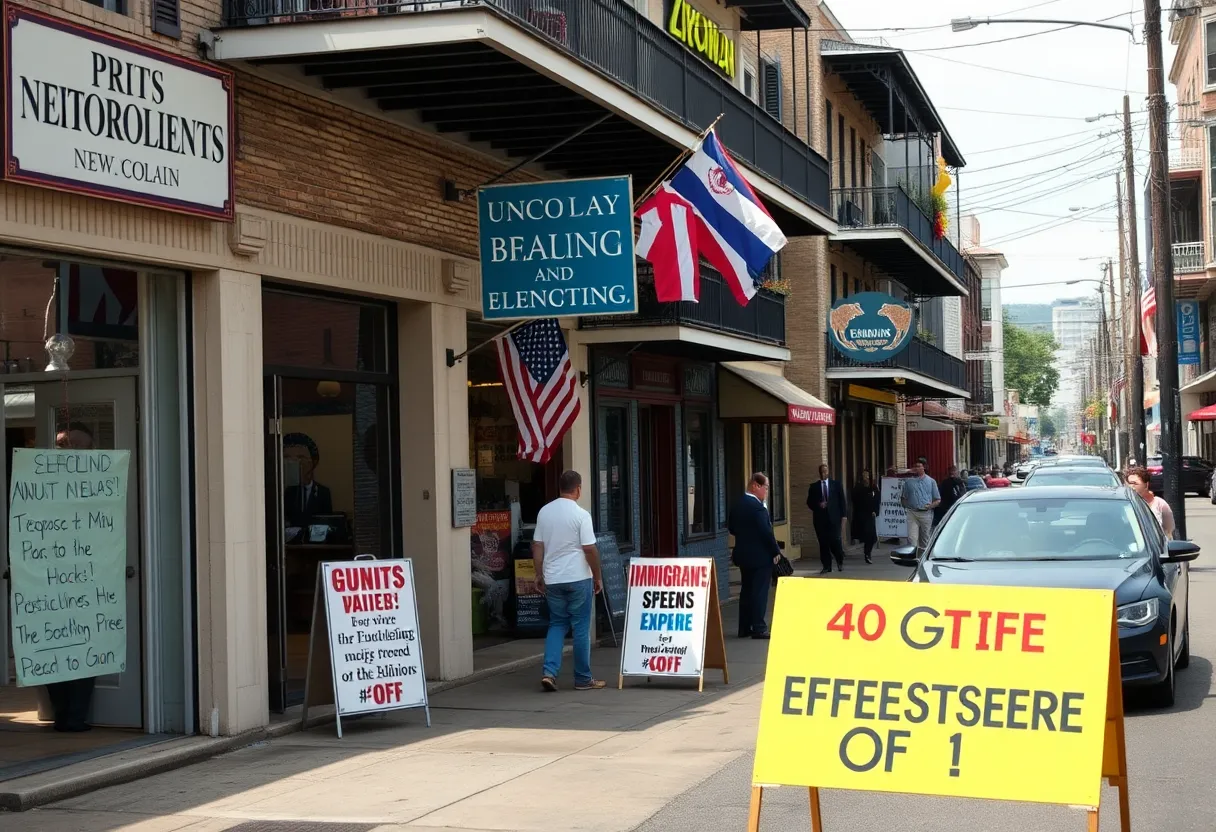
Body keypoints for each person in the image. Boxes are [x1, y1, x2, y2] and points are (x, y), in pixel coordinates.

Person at [533, 470, 606, 691]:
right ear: (578, 489)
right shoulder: (581, 515)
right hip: (578, 578)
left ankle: (549, 672)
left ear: (560, 488)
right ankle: (583, 679)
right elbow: (590, 549)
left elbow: (537, 545)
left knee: (557, 624)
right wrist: (598, 576)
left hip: (553, 579)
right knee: (580, 627)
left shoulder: (545, 512)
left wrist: (539, 574)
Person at [729, 472, 782, 639]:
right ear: (755, 486)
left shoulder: (737, 505)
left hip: (744, 555)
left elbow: (732, 528)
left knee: (746, 591)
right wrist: (775, 551)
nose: (766, 491)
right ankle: (759, 627)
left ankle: (744, 628)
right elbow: (766, 533)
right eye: (765, 487)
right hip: (760, 557)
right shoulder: (758, 507)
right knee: (759, 592)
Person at [283, 433, 333, 528]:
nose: (294, 462)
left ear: (313, 462)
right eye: (287, 457)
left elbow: (327, 521)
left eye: (301, 457)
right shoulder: (286, 492)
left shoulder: (323, 492)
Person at [807, 464, 847, 574]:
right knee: (823, 543)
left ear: (828, 472)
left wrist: (844, 516)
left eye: (825, 471)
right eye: (822, 472)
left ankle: (840, 561)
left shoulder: (836, 485)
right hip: (820, 520)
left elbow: (842, 501)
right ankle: (826, 565)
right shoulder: (814, 487)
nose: (824, 474)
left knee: (835, 540)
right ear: (819, 473)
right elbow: (809, 503)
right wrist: (818, 505)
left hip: (834, 518)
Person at [901, 461, 940, 553]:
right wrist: (906, 506)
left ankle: (924, 557)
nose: (916, 468)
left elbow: (938, 499)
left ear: (924, 468)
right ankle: (913, 556)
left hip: (926, 513)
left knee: (925, 539)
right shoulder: (908, 482)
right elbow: (903, 497)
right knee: (912, 538)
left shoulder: (931, 481)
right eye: (915, 466)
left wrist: (931, 506)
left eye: (919, 466)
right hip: (912, 513)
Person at [1126, 466, 1175, 539]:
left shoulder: (1159, 504)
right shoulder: (1124, 505)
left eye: (1135, 483)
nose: (1131, 487)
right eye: (1129, 483)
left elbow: (1169, 529)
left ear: (1146, 485)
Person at [850, 470, 880, 564]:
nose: (866, 477)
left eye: (867, 475)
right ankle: (867, 553)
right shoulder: (858, 487)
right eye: (864, 476)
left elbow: (877, 500)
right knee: (865, 534)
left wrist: (875, 511)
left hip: (870, 514)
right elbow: (854, 499)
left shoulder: (874, 487)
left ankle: (868, 553)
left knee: (871, 536)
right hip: (861, 514)